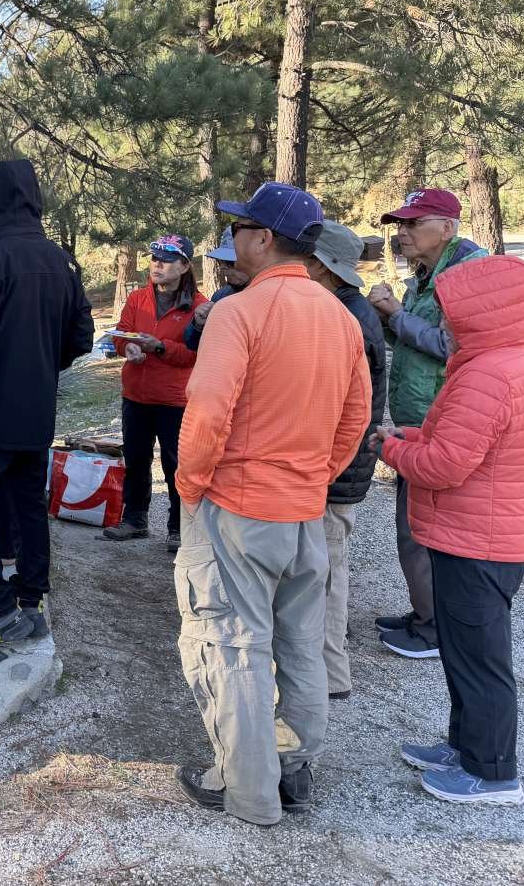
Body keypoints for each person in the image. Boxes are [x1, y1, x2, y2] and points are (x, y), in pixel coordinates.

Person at [172, 182, 372, 827]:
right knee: (300, 644)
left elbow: (208, 412)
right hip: (303, 511)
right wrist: (313, 478)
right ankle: (293, 766)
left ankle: (251, 793)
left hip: (238, 509)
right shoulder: (340, 317)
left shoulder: (239, 312)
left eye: (239, 229)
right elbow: (357, 417)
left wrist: (190, 488)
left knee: (232, 647)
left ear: (262, 239)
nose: (232, 239)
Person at [375, 254, 524, 807]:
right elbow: (470, 442)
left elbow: (445, 465)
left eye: (450, 311)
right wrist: (413, 435)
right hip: (489, 534)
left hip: (475, 539)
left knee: (481, 659)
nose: (443, 322)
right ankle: (465, 748)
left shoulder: (488, 374)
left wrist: (391, 449)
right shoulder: (508, 360)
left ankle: (492, 772)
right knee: (466, 651)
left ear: (483, 311)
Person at [0, 159, 94, 652]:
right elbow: (82, 337)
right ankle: (31, 604)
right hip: (36, 411)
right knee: (29, 506)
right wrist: (43, 365)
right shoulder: (63, 262)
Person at [368, 188, 487, 659]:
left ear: (447, 227)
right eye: (400, 224)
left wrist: (395, 314)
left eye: (414, 223)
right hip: (421, 419)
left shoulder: (467, 274)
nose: (402, 233)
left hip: (446, 423)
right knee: (418, 526)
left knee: (421, 532)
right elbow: (414, 342)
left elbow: (451, 347)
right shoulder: (425, 275)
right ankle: (427, 613)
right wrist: (387, 319)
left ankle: (435, 628)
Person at [303, 221, 387, 702]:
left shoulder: (348, 317)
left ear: (323, 267)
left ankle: (332, 673)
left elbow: (342, 407)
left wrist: (324, 466)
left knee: (328, 573)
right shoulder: (346, 309)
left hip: (338, 469)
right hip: (338, 464)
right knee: (322, 568)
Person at [103, 234, 205, 553]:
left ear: (184, 266)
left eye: (166, 260)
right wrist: (129, 347)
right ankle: (135, 520)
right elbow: (121, 333)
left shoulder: (199, 306)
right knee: (136, 459)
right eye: (154, 259)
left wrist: (160, 347)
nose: (157, 265)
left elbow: (194, 354)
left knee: (176, 465)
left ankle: (178, 528)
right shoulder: (138, 298)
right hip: (136, 394)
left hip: (175, 400)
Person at [183, 228, 250, 352]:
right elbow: (192, 346)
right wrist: (198, 325)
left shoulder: (273, 297)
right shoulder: (220, 296)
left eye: (229, 263)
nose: (223, 269)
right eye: (220, 263)